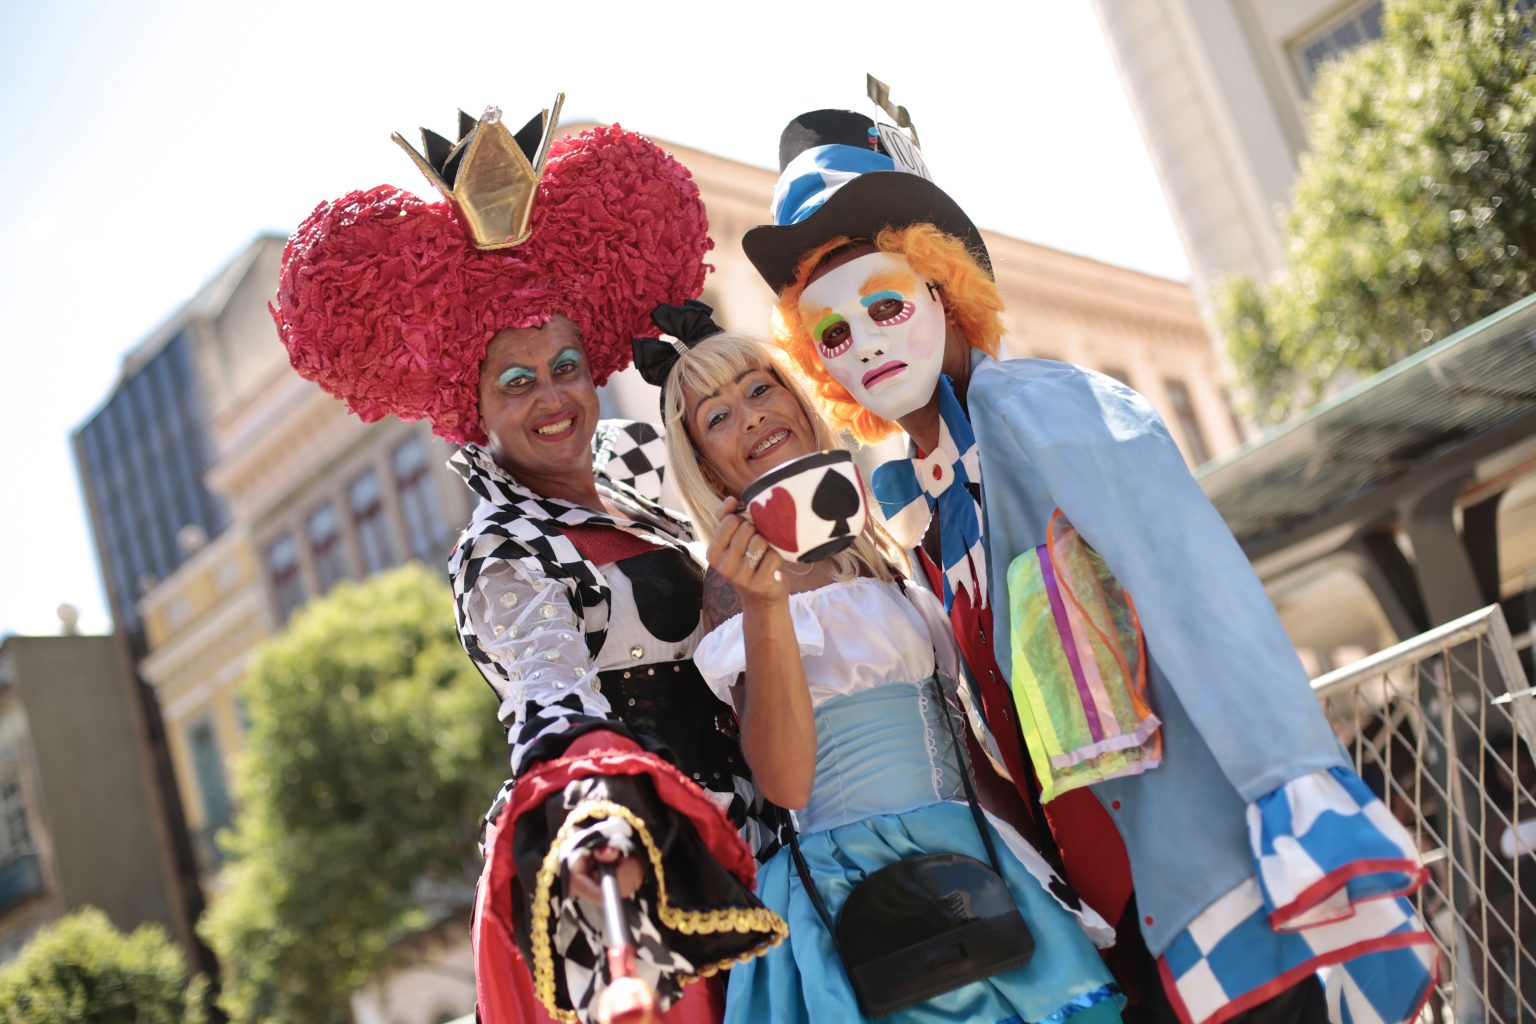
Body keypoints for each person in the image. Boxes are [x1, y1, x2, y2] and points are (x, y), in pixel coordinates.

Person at [742, 102, 1438, 1024]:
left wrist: (1292, 782)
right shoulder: (926, 505)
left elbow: (1194, 589)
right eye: (833, 332)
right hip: (1112, 918)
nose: (866, 341)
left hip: (1210, 879)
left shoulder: (1044, 411)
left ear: (944, 291)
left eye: (884, 302)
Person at [272, 101, 784, 1024]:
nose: (553, 397)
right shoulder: (501, 553)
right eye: (518, 381)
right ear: (472, 408)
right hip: (657, 875)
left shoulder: (650, 477)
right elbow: (551, 701)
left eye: (567, 365)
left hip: (784, 831)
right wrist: (597, 818)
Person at [642, 321, 1125, 1024]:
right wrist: (763, 604)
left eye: (759, 387)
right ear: (708, 465)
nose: (751, 416)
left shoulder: (874, 543)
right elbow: (785, 781)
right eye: (718, 417)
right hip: (861, 891)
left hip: (974, 858)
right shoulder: (732, 584)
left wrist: (1048, 869)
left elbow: (965, 755)